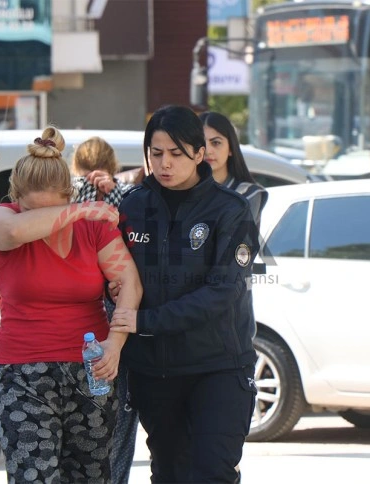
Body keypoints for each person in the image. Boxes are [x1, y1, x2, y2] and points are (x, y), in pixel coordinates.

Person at [0, 126, 142, 483]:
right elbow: (11, 233)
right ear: (15, 197)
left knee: (89, 477)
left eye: (53, 209)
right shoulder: (1, 218)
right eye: (32, 212)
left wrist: (116, 343)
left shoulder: (93, 228)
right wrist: (78, 211)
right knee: (33, 477)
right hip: (23, 372)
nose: (44, 224)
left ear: (66, 194)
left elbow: (129, 281)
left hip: (90, 369)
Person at [109, 105, 260, 483]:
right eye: (156, 153)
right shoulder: (132, 207)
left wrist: (145, 321)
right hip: (154, 373)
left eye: (176, 154)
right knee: (169, 474)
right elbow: (113, 275)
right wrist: (111, 286)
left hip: (219, 368)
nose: (165, 164)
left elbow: (222, 292)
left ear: (197, 153)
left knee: (213, 472)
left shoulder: (231, 210)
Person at [70, 135, 139, 484]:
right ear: (113, 166)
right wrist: (113, 193)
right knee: (118, 429)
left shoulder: (61, 197)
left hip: (68, 331)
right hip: (119, 328)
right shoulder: (129, 200)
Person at [199, 111, 268, 227]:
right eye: (200, 143)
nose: (207, 151)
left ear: (231, 148)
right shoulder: (180, 192)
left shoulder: (247, 195)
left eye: (216, 143)